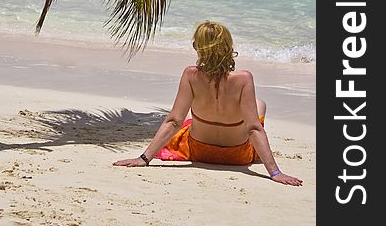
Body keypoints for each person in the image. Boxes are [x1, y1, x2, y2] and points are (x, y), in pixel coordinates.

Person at [113, 20, 303, 186]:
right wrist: (275, 173)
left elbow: (173, 121)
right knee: (259, 104)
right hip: (237, 157)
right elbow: (253, 129)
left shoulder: (190, 75)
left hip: (199, 151)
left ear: (197, 47)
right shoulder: (244, 79)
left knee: (186, 114)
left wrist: (144, 159)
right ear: (228, 46)